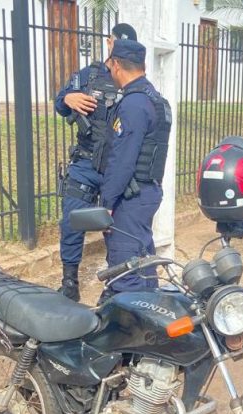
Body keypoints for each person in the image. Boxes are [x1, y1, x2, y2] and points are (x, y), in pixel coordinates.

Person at [53, 23, 138, 302]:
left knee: (119, 226)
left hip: (117, 166)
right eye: (115, 42)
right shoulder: (88, 75)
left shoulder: (132, 80)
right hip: (86, 163)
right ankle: (69, 282)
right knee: (72, 220)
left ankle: (116, 285)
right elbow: (59, 103)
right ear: (109, 42)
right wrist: (67, 98)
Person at [96, 39, 172, 299]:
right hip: (146, 192)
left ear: (116, 64)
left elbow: (122, 159)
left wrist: (107, 204)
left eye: (110, 64)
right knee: (143, 263)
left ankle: (130, 318)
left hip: (130, 198)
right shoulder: (155, 99)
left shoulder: (134, 103)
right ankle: (151, 309)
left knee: (125, 271)